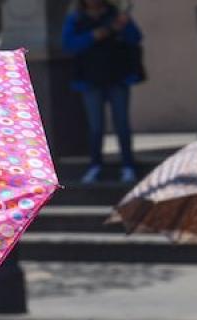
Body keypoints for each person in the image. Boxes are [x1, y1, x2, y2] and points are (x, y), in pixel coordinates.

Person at [61, 0, 144, 184]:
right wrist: (95, 35)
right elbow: (69, 44)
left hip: (117, 76)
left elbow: (135, 37)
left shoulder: (115, 15)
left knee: (122, 123)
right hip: (90, 79)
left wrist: (123, 26)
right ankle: (95, 166)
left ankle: (128, 165)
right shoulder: (76, 19)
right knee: (95, 126)